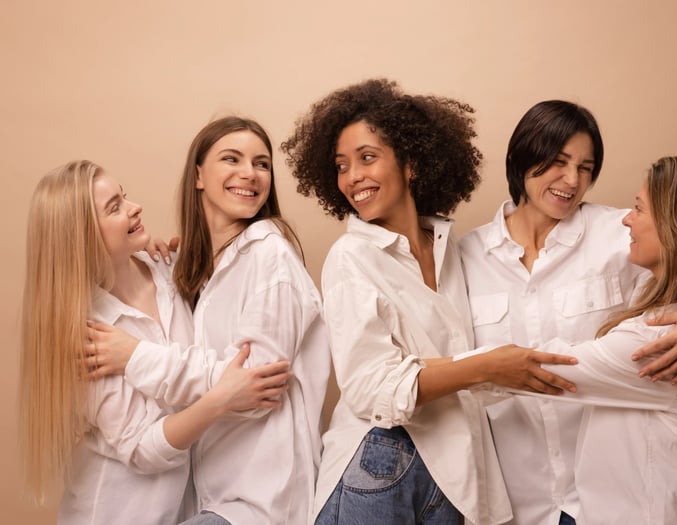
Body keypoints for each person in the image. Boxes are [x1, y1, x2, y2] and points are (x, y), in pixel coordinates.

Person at [281, 79, 579, 525]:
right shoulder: (352, 257)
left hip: (455, 472)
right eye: (341, 165)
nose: (352, 177)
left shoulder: (450, 247)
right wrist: (484, 367)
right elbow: (369, 387)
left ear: (411, 163)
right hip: (377, 463)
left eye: (367, 157)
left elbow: (451, 357)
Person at [460, 101, 677, 524]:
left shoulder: (621, 231)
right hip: (517, 500)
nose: (572, 181)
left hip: (605, 500)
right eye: (558, 162)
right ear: (521, 158)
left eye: (586, 168)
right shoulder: (463, 258)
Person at [87, 117, 331, 524]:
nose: (249, 174)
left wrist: (135, 357)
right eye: (231, 159)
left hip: (260, 503)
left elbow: (255, 388)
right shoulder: (198, 272)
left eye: (262, 164)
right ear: (198, 174)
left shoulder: (269, 257)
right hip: (212, 500)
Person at [19, 160, 289, 524]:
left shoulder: (166, 270)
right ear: (81, 237)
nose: (135, 208)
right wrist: (221, 399)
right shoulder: (86, 336)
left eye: (124, 197)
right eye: (115, 207)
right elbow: (144, 449)